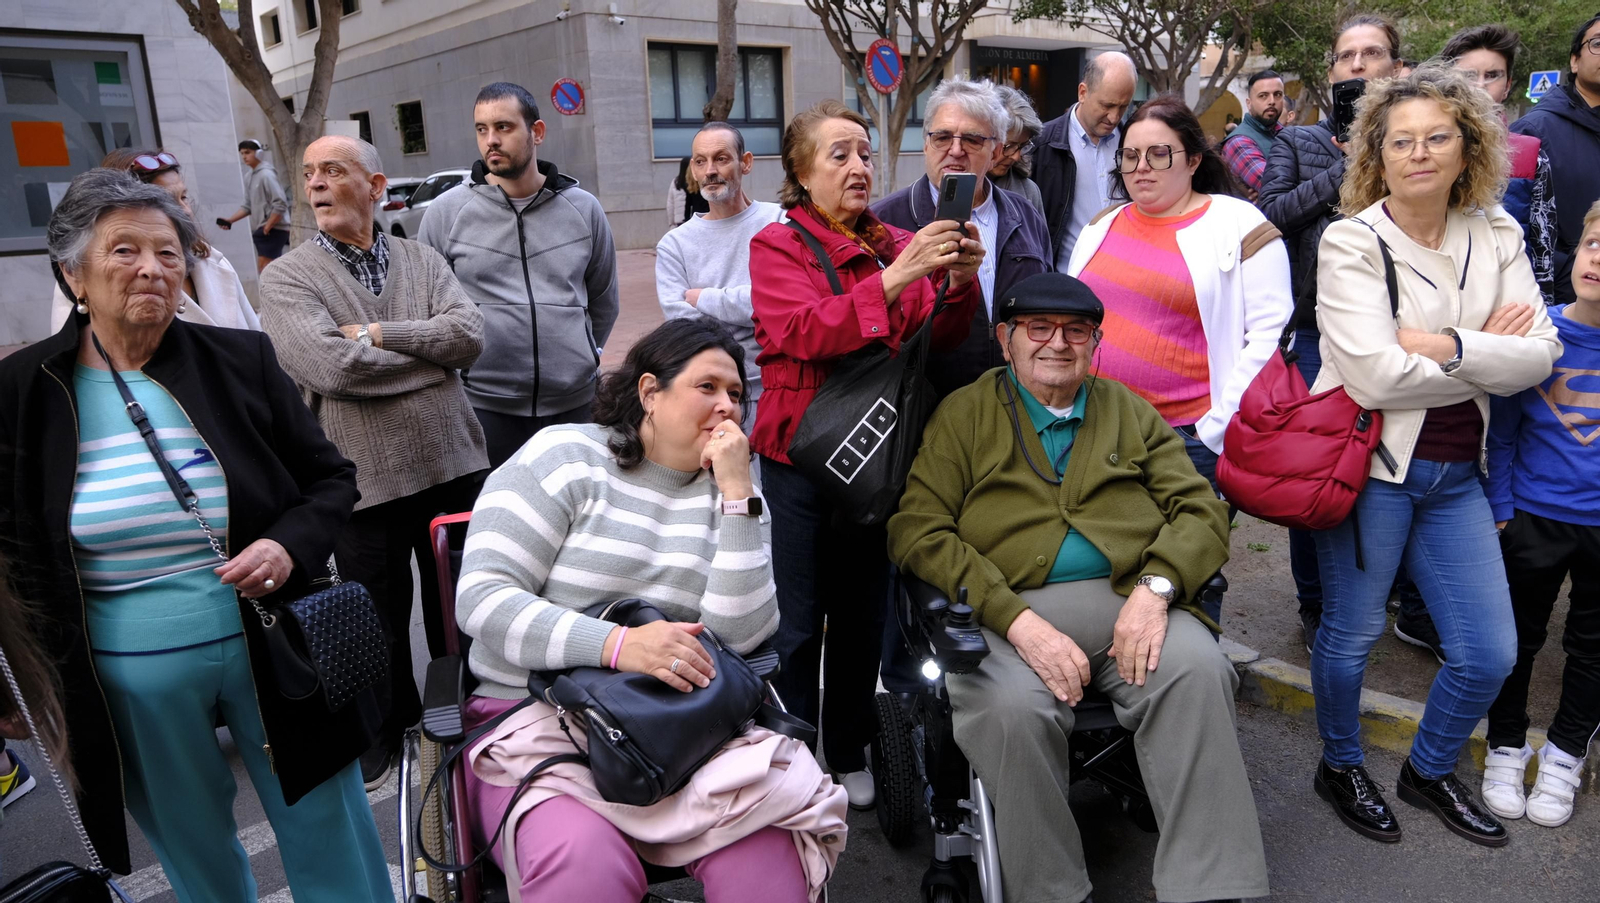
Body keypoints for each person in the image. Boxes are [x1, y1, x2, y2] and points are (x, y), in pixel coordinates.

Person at [0, 168, 388, 899]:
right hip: (127, 669)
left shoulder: (240, 360)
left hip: (275, 642)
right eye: (123, 251)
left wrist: (285, 545)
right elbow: (8, 552)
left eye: (169, 253)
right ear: (72, 272)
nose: (152, 267)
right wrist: (12, 683)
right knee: (193, 850)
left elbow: (331, 478)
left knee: (327, 826)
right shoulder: (23, 392)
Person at [888, 272, 1269, 903]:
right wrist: (1015, 619)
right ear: (1005, 340)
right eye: (1038, 329)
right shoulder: (965, 414)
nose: (1057, 344)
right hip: (1009, 615)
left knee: (1198, 670)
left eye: (1076, 331)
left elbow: (1200, 509)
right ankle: (1052, 891)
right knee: (1010, 711)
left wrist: (1155, 589)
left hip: (1129, 604)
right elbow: (918, 528)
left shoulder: (1126, 409)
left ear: (1095, 342)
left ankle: (1210, 887)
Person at [454, 317, 846, 903]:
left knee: (767, 869)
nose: (727, 408)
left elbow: (741, 636)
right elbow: (482, 598)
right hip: (540, 724)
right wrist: (617, 647)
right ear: (648, 393)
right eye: (707, 387)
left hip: (680, 731)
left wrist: (739, 495)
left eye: (738, 395)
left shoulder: (729, 492)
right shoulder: (567, 457)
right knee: (582, 866)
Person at [1307, 65, 1561, 848]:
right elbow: (1372, 372)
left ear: (1468, 145)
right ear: (1376, 157)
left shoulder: (1498, 232)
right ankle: (1341, 762)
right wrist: (1488, 343)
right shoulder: (1352, 241)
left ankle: (1427, 769)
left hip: (1460, 478)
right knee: (1350, 635)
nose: (1419, 152)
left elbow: (1542, 356)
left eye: (1437, 137)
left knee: (1489, 651)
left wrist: (1442, 342)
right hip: (1369, 469)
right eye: (1400, 141)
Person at [749, 99, 983, 807]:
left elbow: (931, 341)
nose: (858, 166)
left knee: (860, 613)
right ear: (800, 172)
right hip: (800, 454)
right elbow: (801, 331)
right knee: (797, 619)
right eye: (838, 155)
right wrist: (898, 276)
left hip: (876, 453)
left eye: (864, 152)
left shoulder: (895, 243)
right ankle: (792, 750)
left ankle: (847, 746)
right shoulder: (777, 246)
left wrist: (959, 284)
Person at [259, 135, 490, 790]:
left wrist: (382, 334)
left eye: (335, 170)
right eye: (309, 174)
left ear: (376, 184)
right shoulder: (287, 277)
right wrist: (431, 361)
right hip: (363, 481)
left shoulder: (421, 255)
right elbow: (329, 366)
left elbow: (470, 335)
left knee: (463, 609)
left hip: (455, 465)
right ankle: (387, 733)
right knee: (377, 622)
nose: (318, 184)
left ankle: (470, 714)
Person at [1259, 13, 1437, 655]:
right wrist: (1344, 167)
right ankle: (1316, 605)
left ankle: (1384, 594)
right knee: (1317, 473)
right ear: (1331, 70)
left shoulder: (1421, 144)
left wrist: (1388, 151)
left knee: (1396, 469)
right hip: (1317, 335)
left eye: (1374, 54)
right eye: (1346, 57)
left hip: (1407, 334)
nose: (1358, 66)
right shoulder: (1301, 142)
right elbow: (1268, 218)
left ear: (1398, 68)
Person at [1067, 94, 1292, 527]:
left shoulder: (1240, 225)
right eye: (1130, 156)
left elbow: (1271, 336)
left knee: (1187, 576)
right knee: (1110, 566)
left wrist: (1214, 431)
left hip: (1186, 441)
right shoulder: (1101, 225)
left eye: (1158, 153)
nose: (1141, 167)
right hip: (1097, 433)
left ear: (1191, 160)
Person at [420, 81, 620, 468]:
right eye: (482, 129)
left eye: (504, 127)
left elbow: (604, 300)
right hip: (485, 409)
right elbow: (429, 311)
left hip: (575, 406)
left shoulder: (583, 209)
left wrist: (576, 360)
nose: (491, 140)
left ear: (537, 132)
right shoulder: (446, 213)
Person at [1480, 199, 1600, 829]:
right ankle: (1505, 745)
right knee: (1516, 641)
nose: (1599, 259)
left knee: (1593, 649)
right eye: (1593, 244)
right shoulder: (1540, 337)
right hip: (1530, 517)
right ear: (1575, 252)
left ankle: (1564, 754)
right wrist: (1502, 507)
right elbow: (1500, 433)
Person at [873, 77, 1052, 396]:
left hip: (1019, 400)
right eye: (942, 137)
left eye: (971, 139)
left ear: (996, 151)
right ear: (926, 144)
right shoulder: (883, 220)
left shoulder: (1025, 215)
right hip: (925, 408)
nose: (955, 151)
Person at [50, 148, 260, 332]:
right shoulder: (82, 276)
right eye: (167, 200)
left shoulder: (214, 261)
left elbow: (258, 341)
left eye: (184, 197)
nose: (185, 211)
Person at [656, 122, 784, 404]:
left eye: (721, 159)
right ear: (693, 169)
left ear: (745, 163)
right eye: (701, 162)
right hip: (714, 396)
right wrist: (753, 313)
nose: (710, 171)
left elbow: (784, 303)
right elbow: (686, 329)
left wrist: (705, 298)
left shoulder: (781, 221)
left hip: (782, 386)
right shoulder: (674, 245)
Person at [1444, 23, 1558, 304]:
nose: (1480, 85)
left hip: (1511, 304)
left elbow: (1542, 250)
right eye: (1469, 75)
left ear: (1507, 86)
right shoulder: (1423, 145)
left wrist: (1540, 314)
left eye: (1492, 75)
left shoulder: (1530, 153)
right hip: (1436, 299)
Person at [1511, 12, 1600, 306]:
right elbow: (1514, 232)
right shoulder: (1533, 131)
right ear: (1575, 60)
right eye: (1597, 43)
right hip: (1565, 304)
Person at [1029, 52, 1138, 267]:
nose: (1114, 117)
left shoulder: (1134, 145)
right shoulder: (1041, 145)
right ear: (1082, 92)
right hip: (1065, 285)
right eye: (1107, 105)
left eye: (1123, 107)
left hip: (1128, 279)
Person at [218, 139, 291, 272]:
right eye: (242, 153)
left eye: (248, 152)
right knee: (267, 270)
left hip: (275, 229)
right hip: (263, 230)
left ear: (259, 153)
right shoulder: (249, 177)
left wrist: (268, 227)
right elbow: (248, 206)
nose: (244, 156)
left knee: (266, 269)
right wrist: (230, 221)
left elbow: (280, 203)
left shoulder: (267, 175)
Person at [1222, 69, 1286, 199]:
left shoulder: (1285, 134)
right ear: (1249, 103)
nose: (1272, 101)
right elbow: (1276, 188)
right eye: (1263, 95)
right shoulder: (1239, 142)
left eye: (1278, 94)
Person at [989, 85, 1046, 213]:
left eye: (1022, 146)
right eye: (1009, 146)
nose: (1016, 156)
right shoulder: (952, 187)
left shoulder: (1028, 191)